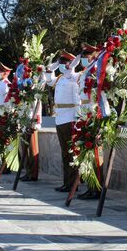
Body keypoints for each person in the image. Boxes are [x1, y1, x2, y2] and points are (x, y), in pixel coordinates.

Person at [47, 50, 81, 192]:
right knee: (65, 153)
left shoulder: (74, 78)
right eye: (60, 63)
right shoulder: (60, 78)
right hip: (60, 117)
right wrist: (51, 68)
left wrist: (77, 118)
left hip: (70, 118)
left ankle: (73, 183)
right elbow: (48, 80)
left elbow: (77, 99)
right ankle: (67, 182)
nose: (61, 65)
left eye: (63, 63)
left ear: (71, 64)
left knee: (71, 152)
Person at [76, 43, 103, 200]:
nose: (85, 58)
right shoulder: (86, 70)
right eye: (84, 55)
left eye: (87, 55)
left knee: (95, 153)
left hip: (93, 113)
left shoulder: (96, 68)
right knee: (87, 153)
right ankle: (90, 186)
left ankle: (97, 187)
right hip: (85, 114)